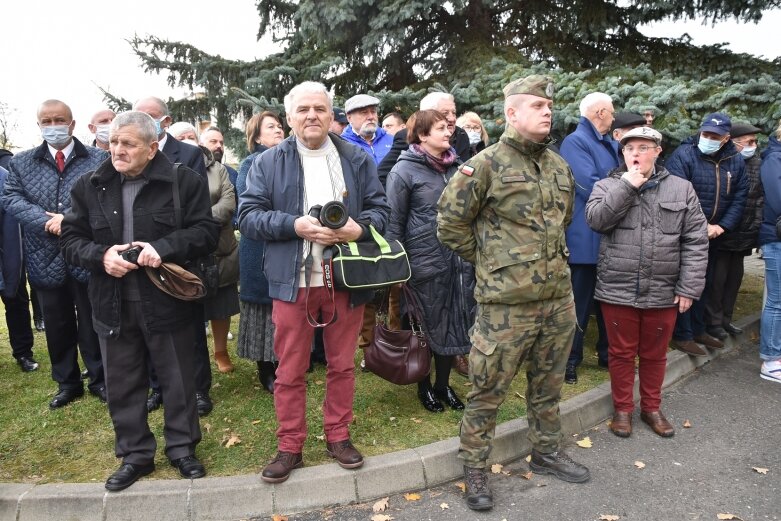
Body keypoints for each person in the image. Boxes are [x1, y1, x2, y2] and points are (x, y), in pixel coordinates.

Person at [437, 75, 589, 512]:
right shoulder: (484, 164)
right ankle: (476, 468)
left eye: (549, 106)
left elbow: (564, 221)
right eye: (537, 105)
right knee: (487, 389)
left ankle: (545, 452)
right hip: (505, 307)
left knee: (549, 384)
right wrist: (491, 262)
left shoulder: (559, 167)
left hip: (557, 300)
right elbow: (449, 224)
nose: (547, 112)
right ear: (511, 113)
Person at [60, 110, 219, 491]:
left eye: (127, 143)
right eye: (113, 141)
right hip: (112, 300)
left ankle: (182, 449)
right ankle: (135, 456)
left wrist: (162, 247)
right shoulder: (89, 185)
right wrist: (101, 257)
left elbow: (206, 232)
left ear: (151, 147)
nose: (117, 149)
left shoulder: (183, 181)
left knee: (178, 378)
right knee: (123, 382)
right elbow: (70, 240)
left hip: (168, 298)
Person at [239, 81, 388, 484]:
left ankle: (338, 435)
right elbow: (248, 216)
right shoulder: (268, 162)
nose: (311, 116)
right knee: (290, 369)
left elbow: (380, 210)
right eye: (303, 109)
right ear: (289, 117)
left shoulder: (355, 158)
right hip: (293, 280)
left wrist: (357, 230)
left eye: (319, 109)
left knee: (341, 364)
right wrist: (294, 225)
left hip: (345, 278)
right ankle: (290, 444)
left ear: (331, 114)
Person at [586, 126, 708, 438]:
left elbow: (695, 241)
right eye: (630, 149)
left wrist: (688, 287)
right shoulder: (607, 185)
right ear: (622, 153)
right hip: (618, 288)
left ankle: (651, 407)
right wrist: (626, 187)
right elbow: (596, 220)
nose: (636, 154)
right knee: (621, 353)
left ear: (657, 151)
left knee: (656, 354)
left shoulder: (681, 189)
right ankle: (623, 409)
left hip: (663, 289)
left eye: (643, 147)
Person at [4, 99, 107, 408]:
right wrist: (46, 221)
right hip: (43, 254)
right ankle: (67, 382)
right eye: (46, 121)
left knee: (92, 320)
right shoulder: (21, 163)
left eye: (58, 120)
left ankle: (100, 379)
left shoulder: (98, 158)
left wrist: (71, 220)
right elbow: (11, 198)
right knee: (57, 323)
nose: (53, 126)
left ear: (72, 123)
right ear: (39, 125)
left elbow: (105, 196)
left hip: (84, 252)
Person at [386, 110, 474, 413]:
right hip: (422, 264)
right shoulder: (404, 172)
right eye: (440, 128)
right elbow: (394, 223)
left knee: (453, 324)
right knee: (423, 328)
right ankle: (424, 388)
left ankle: (443, 384)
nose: (448, 132)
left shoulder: (458, 167)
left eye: (448, 127)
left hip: (458, 262)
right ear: (422, 135)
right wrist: (397, 267)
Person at [134, 97, 212, 415]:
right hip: (141, 255)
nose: (145, 120)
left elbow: (196, 206)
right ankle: (158, 387)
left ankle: (197, 390)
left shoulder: (189, 154)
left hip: (180, 254)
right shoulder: (129, 153)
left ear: (165, 121)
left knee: (190, 328)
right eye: (140, 114)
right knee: (148, 326)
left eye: (151, 116)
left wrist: (168, 244)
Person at [666, 113, 748, 355]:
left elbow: (740, 196)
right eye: (706, 134)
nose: (708, 139)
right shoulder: (684, 155)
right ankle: (682, 334)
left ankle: (699, 328)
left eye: (715, 136)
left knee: (706, 283)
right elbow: (678, 192)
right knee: (686, 282)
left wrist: (721, 226)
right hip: (688, 233)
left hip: (715, 234)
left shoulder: (735, 159)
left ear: (726, 138)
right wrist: (700, 227)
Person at [559, 92, 619, 384]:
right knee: (578, 304)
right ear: (599, 113)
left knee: (609, 302)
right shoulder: (576, 141)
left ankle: (608, 355)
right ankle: (570, 360)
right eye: (611, 111)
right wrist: (625, 192)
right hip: (585, 239)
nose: (614, 116)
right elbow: (589, 185)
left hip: (609, 237)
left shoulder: (609, 142)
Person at [236, 111, 284, 393]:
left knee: (285, 306)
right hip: (259, 247)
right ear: (256, 136)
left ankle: (286, 361)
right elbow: (249, 203)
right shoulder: (250, 163)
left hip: (287, 242)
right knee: (262, 308)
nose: (278, 130)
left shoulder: (291, 160)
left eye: (280, 126)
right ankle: (266, 368)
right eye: (271, 127)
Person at [706, 123, 764, 338]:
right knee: (717, 280)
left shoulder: (758, 164)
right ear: (733, 142)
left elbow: (760, 199)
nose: (753, 146)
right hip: (724, 233)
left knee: (733, 280)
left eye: (755, 142)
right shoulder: (725, 162)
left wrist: (754, 226)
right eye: (749, 142)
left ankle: (726, 320)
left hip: (745, 233)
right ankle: (713, 322)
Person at [199, 143, 240, 373]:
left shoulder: (217, 169)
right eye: (181, 136)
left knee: (221, 305)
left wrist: (198, 220)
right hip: (187, 251)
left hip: (219, 247)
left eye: (189, 136)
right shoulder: (169, 166)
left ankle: (221, 351)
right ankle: (197, 354)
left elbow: (228, 203)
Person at [378, 92, 472, 187]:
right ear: (427, 115)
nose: (452, 118)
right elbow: (382, 176)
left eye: (454, 113)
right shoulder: (407, 136)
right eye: (445, 113)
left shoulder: (461, 135)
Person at [0, 165, 38, 372]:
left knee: (16, 300)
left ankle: (23, 352)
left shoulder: (3, 177)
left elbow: (11, 223)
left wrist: (13, 261)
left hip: (7, 252)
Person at [758, 117, 781, 384]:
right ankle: (771, 358)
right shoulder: (774, 159)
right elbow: (777, 198)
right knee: (776, 301)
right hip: (776, 237)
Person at [132, 97, 206, 177]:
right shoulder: (122, 151)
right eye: (138, 116)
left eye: (150, 116)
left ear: (166, 121)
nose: (143, 121)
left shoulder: (191, 154)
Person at [340, 94, 394, 164]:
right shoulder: (342, 145)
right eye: (364, 112)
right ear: (349, 118)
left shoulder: (391, 140)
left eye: (373, 112)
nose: (371, 117)